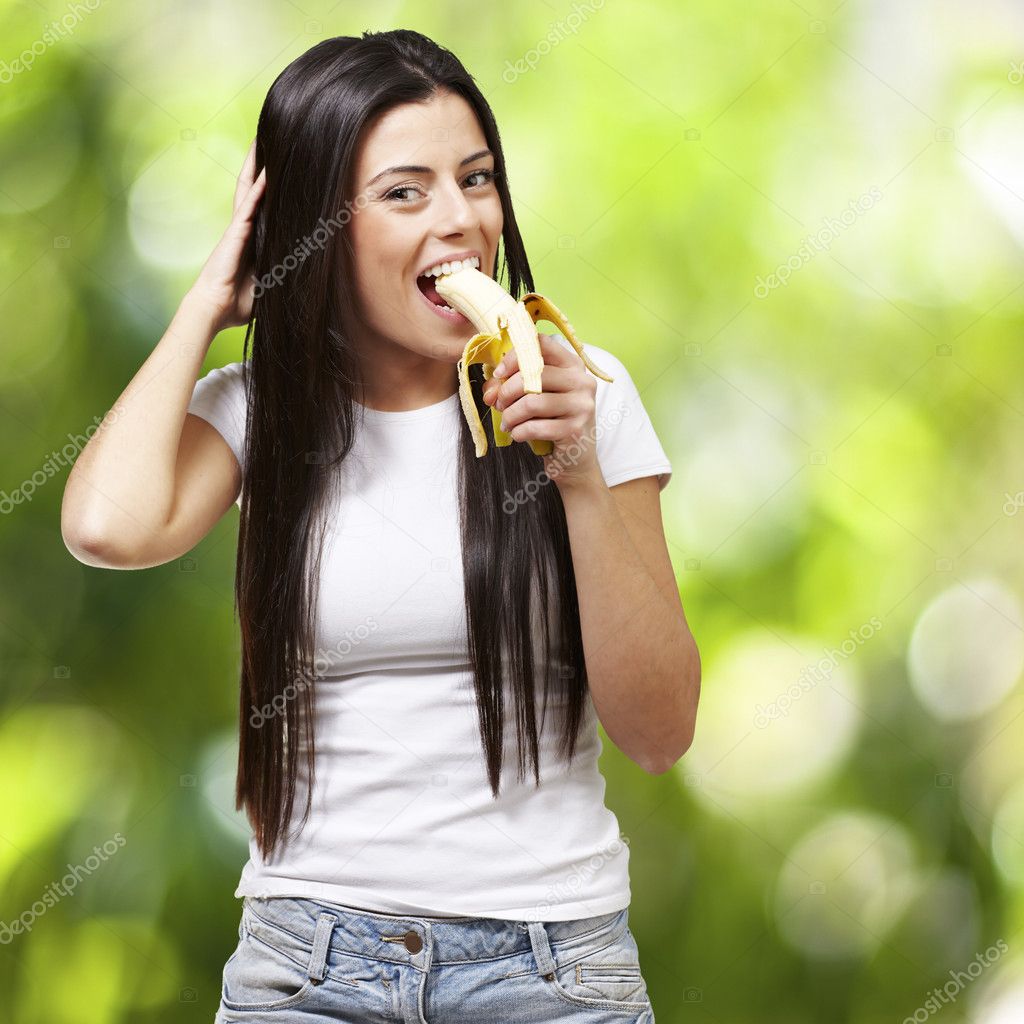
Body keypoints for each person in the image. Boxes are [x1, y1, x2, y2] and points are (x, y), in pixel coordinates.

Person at [62, 28, 700, 1024]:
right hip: (309, 965)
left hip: (548, 966)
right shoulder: (262, 412)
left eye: (477, 179)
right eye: (406, 192)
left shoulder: (582, 394)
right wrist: (210, 300)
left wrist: (574, 476)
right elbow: (105, 526)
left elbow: (659, 732)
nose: (461, 220)